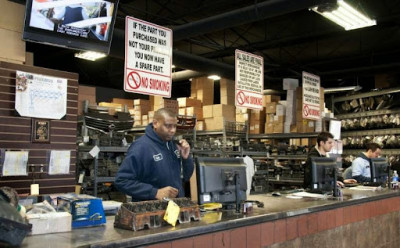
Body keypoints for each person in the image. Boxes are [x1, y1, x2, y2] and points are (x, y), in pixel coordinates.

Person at [115, 108, 194, 201]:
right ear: (155, 123)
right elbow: (122, 181)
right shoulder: (141, 147)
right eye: (168, 126)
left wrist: (186, 159)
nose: (173, 130)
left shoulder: (174, 145)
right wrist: (155, 192)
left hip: (173, 209)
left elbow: (187, 176)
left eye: (174, 126)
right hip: (150, 211)